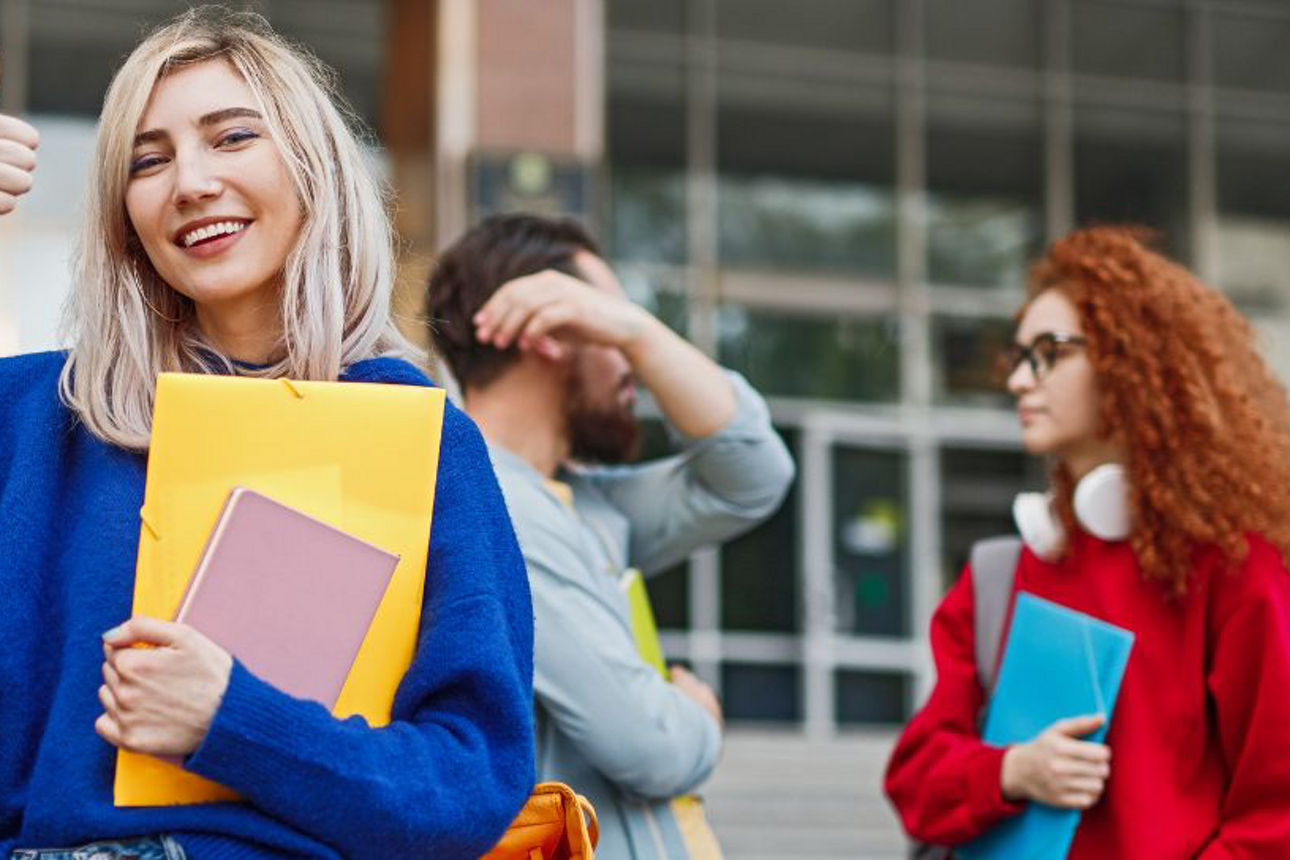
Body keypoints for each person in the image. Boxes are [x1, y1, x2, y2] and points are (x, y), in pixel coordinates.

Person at [0, 9, 534, 858]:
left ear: (314, 169)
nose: (191, 182)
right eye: (149, 159)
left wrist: (233, 719)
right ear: (123, 218)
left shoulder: (417, 436)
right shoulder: (38, 415)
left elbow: (470, 784)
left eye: (232, 137)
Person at [885, 226, 1290, 857]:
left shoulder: (1233, 565)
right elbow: (914, 781)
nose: (1021, 380)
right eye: (1018, 357)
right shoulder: (1003, 572)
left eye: (1051, 351)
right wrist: (1010, 771)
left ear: (1133, 363)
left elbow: (1275, 815)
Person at [424, 214, 796, 859]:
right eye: (607, 320)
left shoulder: (579, 501)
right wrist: (699, 717)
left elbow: (754, 475)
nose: (633, 360)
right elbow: (648, 745)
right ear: (551, 333)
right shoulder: (491, 500)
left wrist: (636, 331)